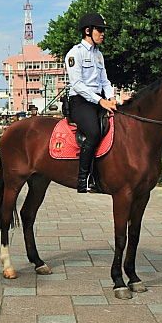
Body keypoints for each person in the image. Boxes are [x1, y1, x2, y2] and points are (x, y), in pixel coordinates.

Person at [64, 12, 117, 193]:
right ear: (88, 30)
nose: (103, 34)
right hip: (80, 102)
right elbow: (77, 85)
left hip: (98, 100)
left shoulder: (99, 55)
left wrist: (111, 98)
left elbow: (105, 82)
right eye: (100, 30)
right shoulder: (74, 54)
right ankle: (83, 180)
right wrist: (101, 100)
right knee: (93, 132)